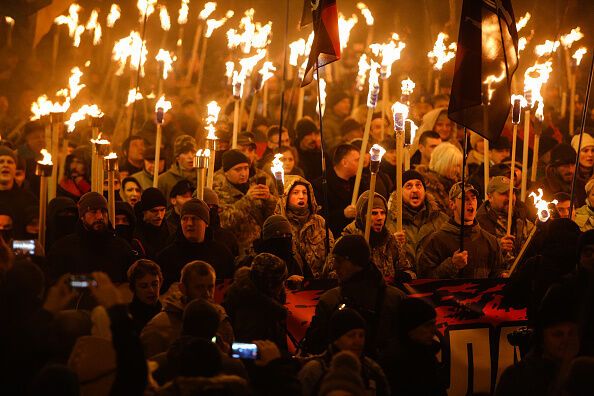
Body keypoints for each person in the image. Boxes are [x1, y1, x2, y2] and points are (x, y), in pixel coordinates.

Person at [303, 235, 406, 358]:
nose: (335, 266)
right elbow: (315, 344)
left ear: (357, 262)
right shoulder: (330, 300)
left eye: (339, 260)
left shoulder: (394, 299)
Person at [141, 260, 234, 359]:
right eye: (199, 287)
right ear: (183, 288)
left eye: (210, 287)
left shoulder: (221, 319)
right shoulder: (159, 328)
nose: (207, 294)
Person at [419, 182, 507, 279]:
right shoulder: (436, 241)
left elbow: (497, 271)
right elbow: (425, 279)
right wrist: (452, 265)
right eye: (464, 198)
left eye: (473, 198)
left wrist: (502, 275)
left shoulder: (491, 241)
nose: (470, 202)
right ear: (452, 204)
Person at [495, 300, 580, 396]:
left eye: (571, 333)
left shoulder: (585, 371)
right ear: (542, 339)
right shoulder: (518, 376)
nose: (567, 340)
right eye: (558, 334)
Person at [47, 192, 136, 284]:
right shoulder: (63, 248)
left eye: (103, 211)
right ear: (82, 216)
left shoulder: (121, 247)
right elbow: (57, 283)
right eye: (93, 211)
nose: (100, 217)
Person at [299, 308, 390, 396]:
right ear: (336, 339)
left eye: (361, 335)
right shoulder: (315, 371)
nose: (358, 341)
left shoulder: (372, 370)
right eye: (351, 335)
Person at [157, 198, 234, 290]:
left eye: (195, 219)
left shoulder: (222, 254)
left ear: (206, 223)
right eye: (185, 219)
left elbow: (226, 290)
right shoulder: (167, 257)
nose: (189, 223)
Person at [213, 149, 277, 255]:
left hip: (260, 247)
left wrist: (269, 199)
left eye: (246, 168)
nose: (243, 173)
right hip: (235, 249)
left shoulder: (253, 185)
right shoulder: (218, 190)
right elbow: (224, 221)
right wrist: (247, 200)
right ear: (226, 172)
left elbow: (272, 216)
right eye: (237, 170)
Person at [342, 190, 414, 282]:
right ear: (362, 216)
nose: (380, 218)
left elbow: (407, 269)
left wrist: (405, 276)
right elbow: (334, 274)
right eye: (374, 213)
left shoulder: (390, 241)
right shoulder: (347, 240)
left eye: (383, 213)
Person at [381, 298, 447, 396]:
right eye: (427, 325)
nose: (434, 330)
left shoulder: (428, 355)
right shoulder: (393, 363)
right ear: (410, 328)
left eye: (433, 324)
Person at [223, 253, 288, 350]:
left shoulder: (241, 295)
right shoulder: (255, 312)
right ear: (272, 285)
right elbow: (245, 349)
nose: (283, 286)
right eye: (282, 281)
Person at [387, 170, 448, 269]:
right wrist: (391, 243)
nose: (415, 190)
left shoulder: (440, 219)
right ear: (399, 192)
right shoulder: (389, 221)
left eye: (418, 185)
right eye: (408, 186)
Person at [278, 176, 333, 278]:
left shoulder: (319, 222)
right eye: (295, 192)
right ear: (286, 196)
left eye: (304, 192)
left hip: (319, 282)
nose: (301, 196)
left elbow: (331, 252)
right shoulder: (280, 223)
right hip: (293, 285)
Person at [476, 176, 533, 260]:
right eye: (504, 193)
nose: (510, 198)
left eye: (512, 193)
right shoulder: (479, 222)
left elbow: (533, 238)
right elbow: (476, 254)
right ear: (490, 197)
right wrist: (497, 247)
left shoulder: (520, 215)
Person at [313, 144, 361, 237]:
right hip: (333, 235)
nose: (361, 163)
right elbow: (319, 217)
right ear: (344, 162)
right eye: (357, 160)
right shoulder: (321, 185)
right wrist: (343, 214)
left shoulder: (359, 182)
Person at [416, 142, 462, 216]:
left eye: (459, 166)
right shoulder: (428, 188)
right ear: (443, 164)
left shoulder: (456, 186)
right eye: (455, 166)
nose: (458, 170)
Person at [132, 188, 171, 260]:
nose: (159, 215)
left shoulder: (171, 231)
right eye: (154, 211)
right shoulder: (134, 233)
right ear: (144, 212)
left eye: (162, 210)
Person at [127, 259, 163, 333]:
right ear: (133, 288)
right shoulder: (127, 318)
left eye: (154, 284)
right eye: (144, 286)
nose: (151, 290)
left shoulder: (167, 311)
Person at [158, 135, 197, 200]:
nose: (191, 156)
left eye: (193, 152)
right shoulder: (164, 180)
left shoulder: (203, 177)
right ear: (177, 157)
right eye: (185, 152)